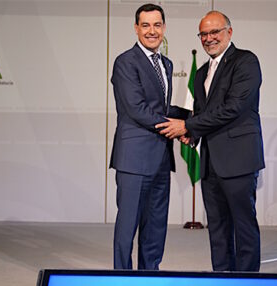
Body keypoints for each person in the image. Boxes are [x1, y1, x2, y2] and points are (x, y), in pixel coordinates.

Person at [156, 11, 264, 271]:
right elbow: (203, 115)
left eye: (214, 31)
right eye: (203, 33)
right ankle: (223, 280)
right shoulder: (202, 71)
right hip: (210, 163)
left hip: (238, 160)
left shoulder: (246, 61)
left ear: (229, 31)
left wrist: (188, 125)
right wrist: (177, 120)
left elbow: (233, 108)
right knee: (217, 228)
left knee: (244, 226)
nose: (209, 38)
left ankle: (248, 284)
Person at [110, 3, 188, 270]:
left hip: (160, 160)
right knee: (127, 227)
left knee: (155, 227)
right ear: (136, 28)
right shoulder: (125, 62)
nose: (151, 31)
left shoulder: (165, 64)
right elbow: (137, 109)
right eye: (145, 25)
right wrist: (177, 128)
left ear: (164, 28)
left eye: (157, 25)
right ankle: (122, 280)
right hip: (133, 160)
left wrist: (191, 119)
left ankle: (149, 276)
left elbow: (161, 110)